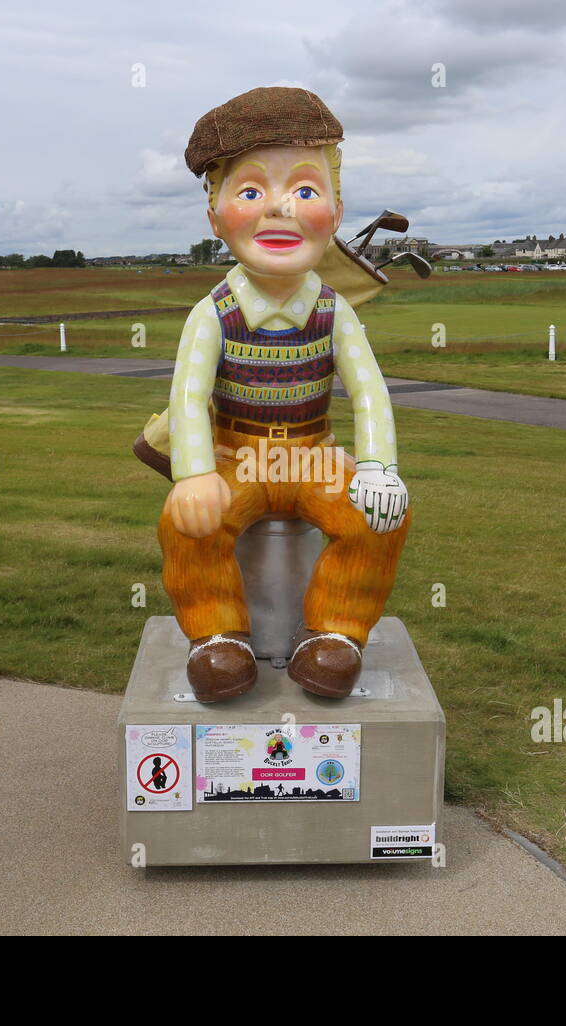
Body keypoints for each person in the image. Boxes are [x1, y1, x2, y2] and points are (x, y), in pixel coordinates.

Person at [144, 86, 411, 703]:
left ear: (336, 212)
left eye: (306, 191)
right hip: (237, 457)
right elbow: (188, 398)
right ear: (215, 217)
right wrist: (193, 474)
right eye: (250, 192)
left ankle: (337, 634)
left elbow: (368, 392)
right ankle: (218, 639)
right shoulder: (213, 314)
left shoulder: (332, 310)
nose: (280, 210)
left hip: (314, 457)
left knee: (377, 517)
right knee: (190, 524)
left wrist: (377, 468)